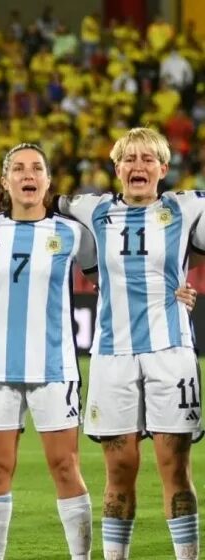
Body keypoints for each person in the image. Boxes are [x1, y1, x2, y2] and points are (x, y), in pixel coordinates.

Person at [56, 127, 203, 560]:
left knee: (175, 468)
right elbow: (25, 200)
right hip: (111, 356)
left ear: (163, 167)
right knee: (119, 471)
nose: (138, 166)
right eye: (129, 159)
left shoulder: (188, 207)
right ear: (116, 167)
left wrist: (188, 290)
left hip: (171, 353)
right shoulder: (90, 208)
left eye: (147, 159)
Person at [0, 143, 96, 559]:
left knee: (65, 468)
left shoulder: (71, 234)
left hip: (54, 369)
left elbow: (111, 278)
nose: (27, 175)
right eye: (18, 168)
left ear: (47, 181)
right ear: (4, 181)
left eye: (36, 168)